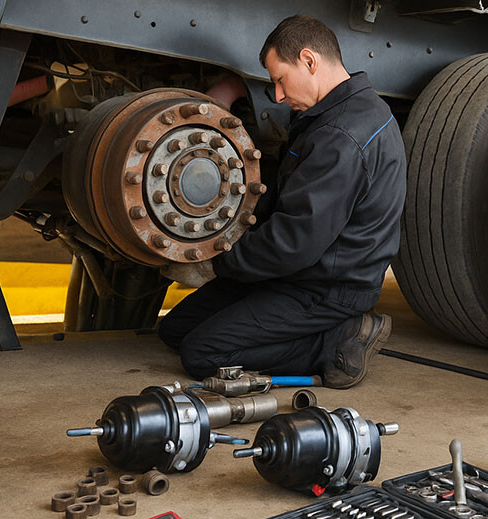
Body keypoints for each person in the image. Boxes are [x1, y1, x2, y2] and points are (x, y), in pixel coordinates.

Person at [158, 15, 406, 388]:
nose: (277, 95)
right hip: (304, 269)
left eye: (279, 80)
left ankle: (335, 341)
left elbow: (294, 243)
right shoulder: (338, 113)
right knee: (174, 330)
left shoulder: (341, 136)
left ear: (309, 61)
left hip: (328, 286)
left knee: (202, 354)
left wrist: (219, 263)